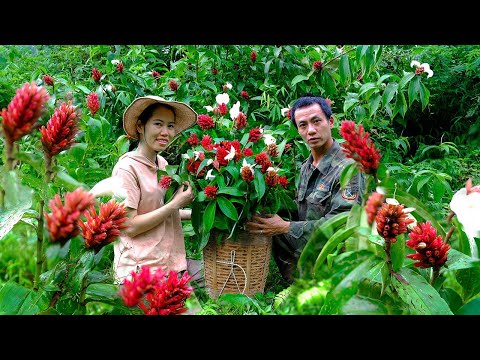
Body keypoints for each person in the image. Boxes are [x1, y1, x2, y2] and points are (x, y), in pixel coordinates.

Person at [246, 94, 366, 283]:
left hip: (336, 256)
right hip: (310, 250)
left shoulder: (349, 167)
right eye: (303, 125)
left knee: (281, 227)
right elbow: (303, 208)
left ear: (331, 122)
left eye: (316, 121)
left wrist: (285, 227)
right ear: (298, 130)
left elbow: (342, 225)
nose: (311, 130)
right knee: (267, 220)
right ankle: (298, 282)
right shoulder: (307, 166)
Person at [102, 95, 201, 285]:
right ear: (140, 126)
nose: (166, 132)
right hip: (140, 270)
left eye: (170, 126)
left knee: (218, 274)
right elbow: (130, 226)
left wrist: (198, 214)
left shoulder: (161, 163)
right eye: (158, 124)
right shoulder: (127, 169)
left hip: (168, 262)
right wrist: (175, 204)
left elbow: (158, 211)